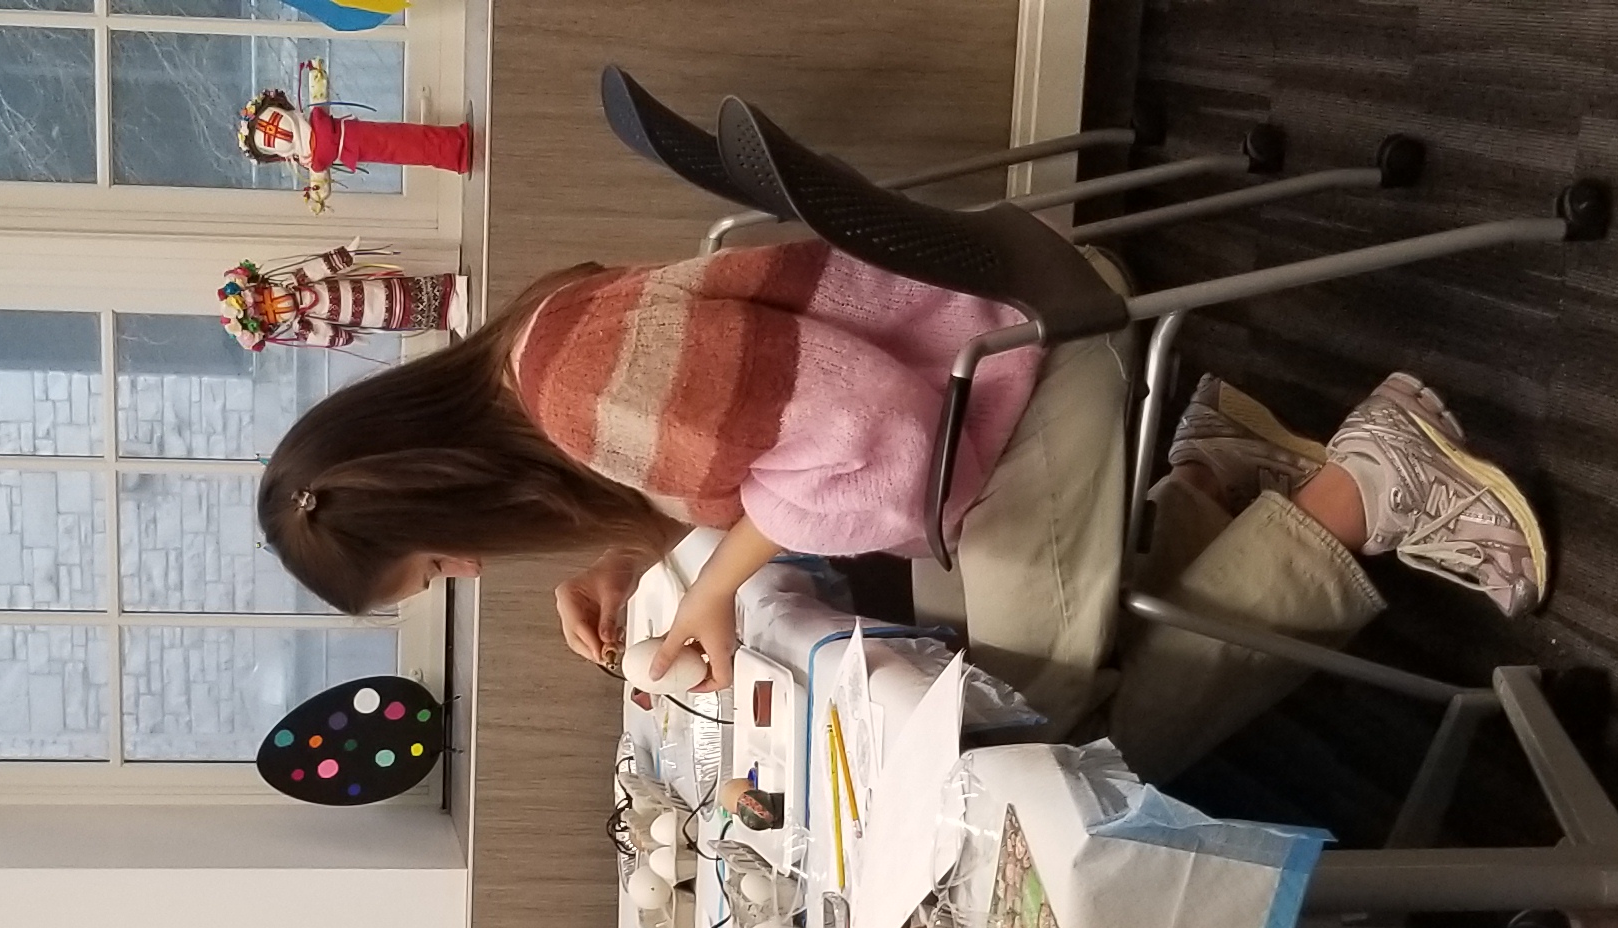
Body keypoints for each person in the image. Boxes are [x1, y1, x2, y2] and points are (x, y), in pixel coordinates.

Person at [256, 243, 1548, 718]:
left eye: (436, 560)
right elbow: (748, 433)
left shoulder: (581, 390)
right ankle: (1221, 480)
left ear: (434, 501)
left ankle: (1365, 488)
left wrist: (712, 583)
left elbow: (874, 441)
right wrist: (641, 554)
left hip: (1013, 380)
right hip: (976, 369)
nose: (468, 573)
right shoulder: (537, 366)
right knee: (950, 666)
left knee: (1042, 725)